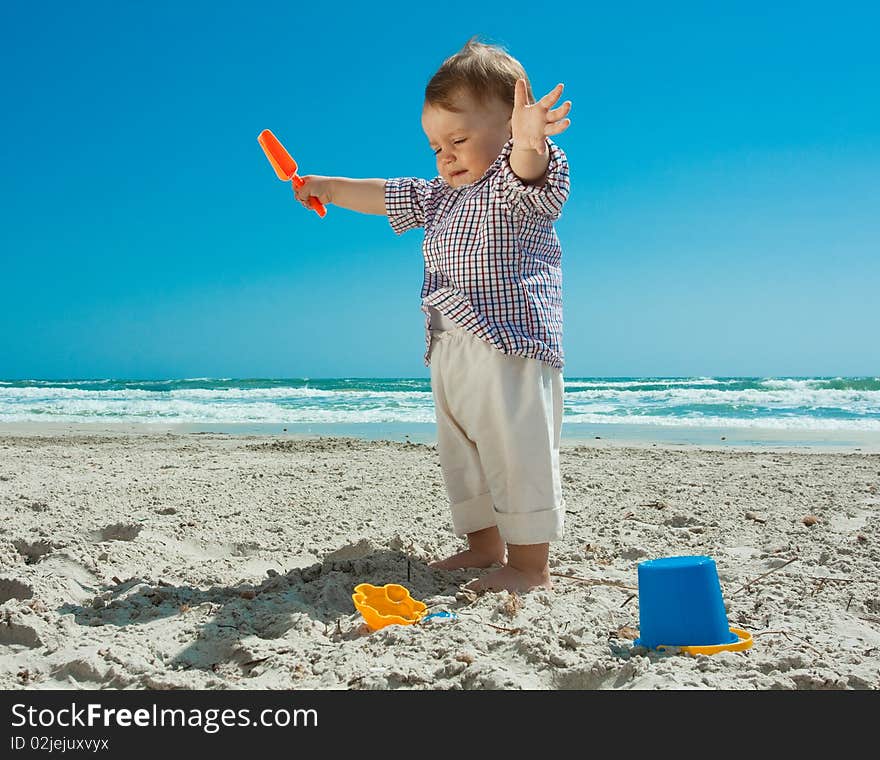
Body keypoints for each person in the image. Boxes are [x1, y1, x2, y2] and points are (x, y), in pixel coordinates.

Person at [292, 37, 572, 592]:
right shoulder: (439, 197)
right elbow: (383, 193)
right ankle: (484, 546)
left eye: (459, 139)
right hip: (447, 345)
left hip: (507, 345)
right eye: (435, 145)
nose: (444, 155)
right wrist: (324, 185)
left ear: (511, 126)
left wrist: (529, 139)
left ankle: (529, 565)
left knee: (518, 451)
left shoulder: (518, 184)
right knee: (463, 453)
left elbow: (530, 165)